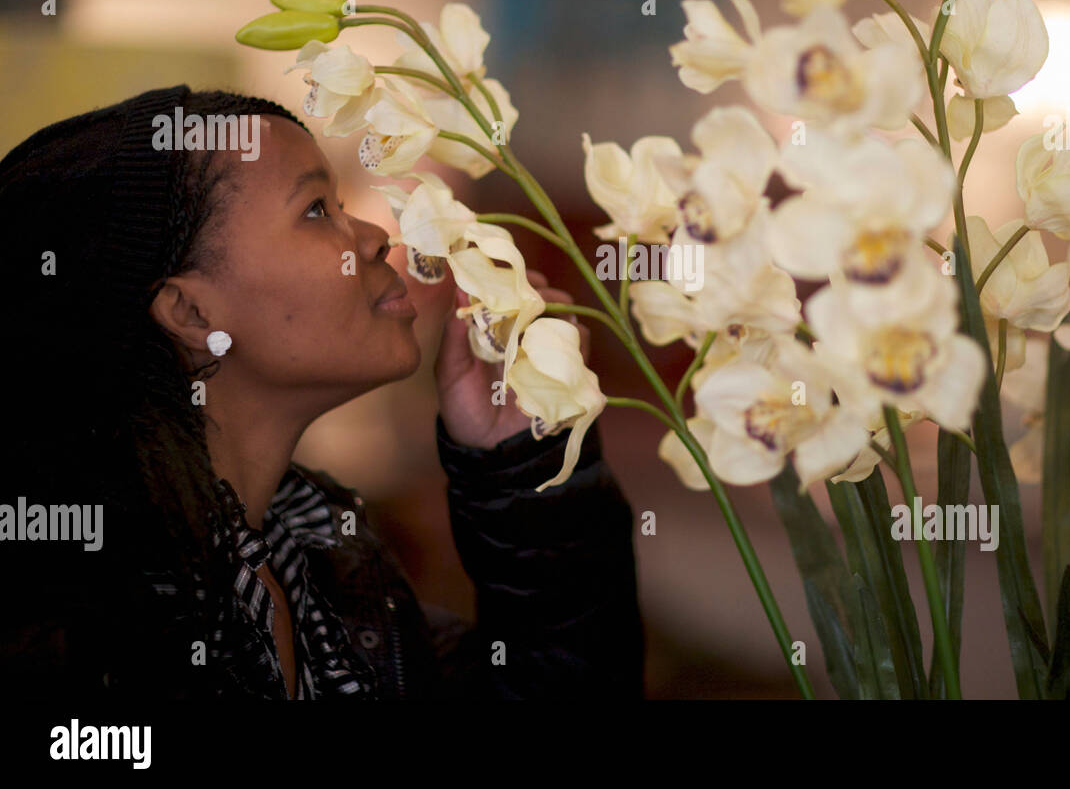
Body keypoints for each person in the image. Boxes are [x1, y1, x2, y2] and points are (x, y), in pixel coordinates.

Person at [0, 84, 644, 699]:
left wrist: (519, 465)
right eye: (316, 210)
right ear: (191, 315)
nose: (375, 237)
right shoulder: (74, 632)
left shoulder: (331, 572)